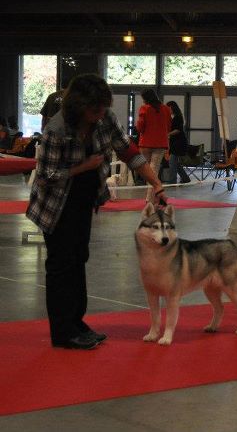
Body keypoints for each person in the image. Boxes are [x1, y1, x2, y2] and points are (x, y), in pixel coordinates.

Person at [26, 73, 168, 350]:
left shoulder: (105, 118)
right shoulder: (56, 129)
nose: (101, 113)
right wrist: (84, 166)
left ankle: (77, 324)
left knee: (79, 258)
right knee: (61, 265)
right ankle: (63, 332)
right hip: (55, 205)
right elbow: (45, 177)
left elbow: (128, 151)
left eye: (103, 107)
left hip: (84, 200)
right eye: (95, 109)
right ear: (79, 107)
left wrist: (156, 183)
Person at [135, 89, 172, 201]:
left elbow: (140, 127)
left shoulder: (144, 108)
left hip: (145, 143)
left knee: (147, 172)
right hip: (160, 144)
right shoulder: (166, 109)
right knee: (154, 171)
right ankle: (151, 198)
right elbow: (169, 126)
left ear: (145, 98)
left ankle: (150, 199)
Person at [166, 101, 191, 184]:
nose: (168, 110)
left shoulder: (178, 117)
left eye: (169, 108)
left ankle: (172, 181)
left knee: (172, 162)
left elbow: (178, 130)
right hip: (175, 142)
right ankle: (185, 178)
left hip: (179, 143)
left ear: (173, 108)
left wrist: (168, 134)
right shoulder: (173, 117)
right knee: (175, 163)